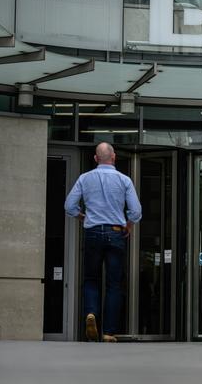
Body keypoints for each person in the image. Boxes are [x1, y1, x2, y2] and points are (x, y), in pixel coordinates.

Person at [64, 142, 142, 342]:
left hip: (92, 232)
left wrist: (83, 217)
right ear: (114, 157)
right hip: (116, 233)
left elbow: (69, 206)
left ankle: (91, 314)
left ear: (96, 159)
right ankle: (109, 332)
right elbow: (136, 211)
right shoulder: (124, 180)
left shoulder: (84, 178)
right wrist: (129, 224)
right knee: (114, 284)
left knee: (91, 279)